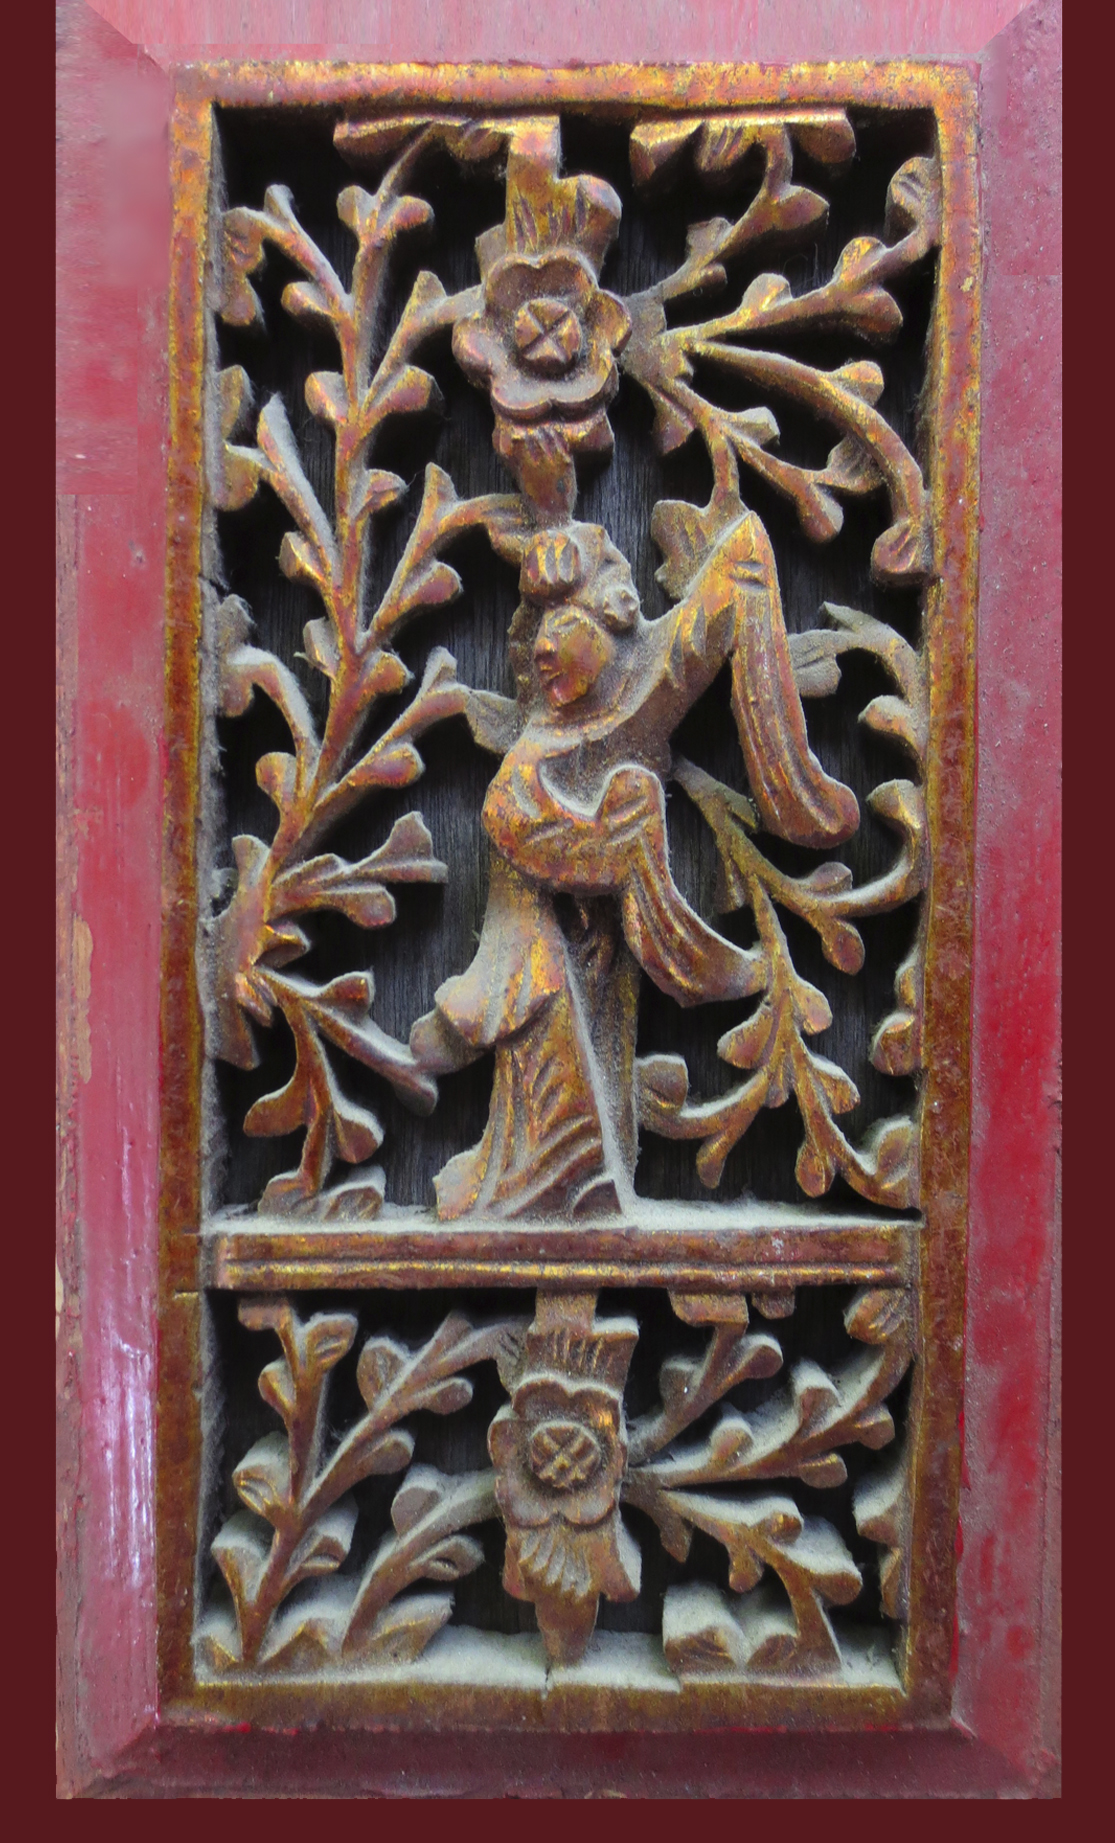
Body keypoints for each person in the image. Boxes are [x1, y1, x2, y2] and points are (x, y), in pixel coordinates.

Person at [410, 514, 857, 1221]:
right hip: (544, 969)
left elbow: (736, 572)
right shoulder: (531, 759)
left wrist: (789, 787)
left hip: (582, 967)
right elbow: (538, 835)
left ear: (610, 621)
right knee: (553, 1102)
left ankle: (565, 1180)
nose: (542, 648)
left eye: (561, 624)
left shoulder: (648, 674)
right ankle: (555, 1182)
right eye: (535, 631)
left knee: (568, 1120)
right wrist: (626, 837)